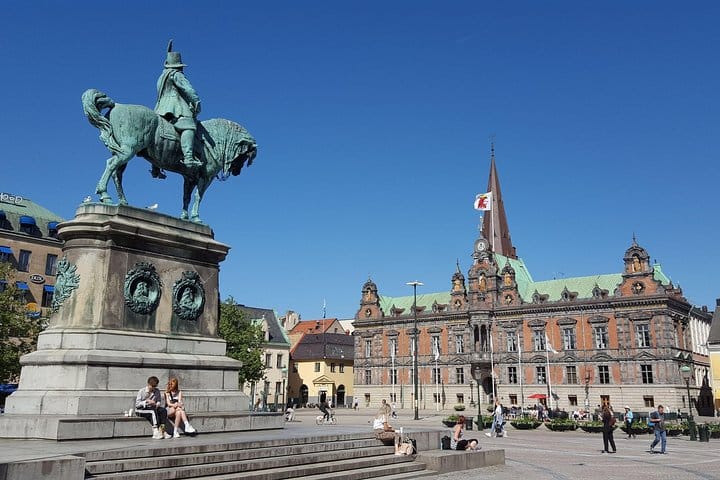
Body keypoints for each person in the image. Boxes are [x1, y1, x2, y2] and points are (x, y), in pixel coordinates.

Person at [155, 40, 202, 170]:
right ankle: (188, 157)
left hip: (160, 109)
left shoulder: (161, 77)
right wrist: (196, 102)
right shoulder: (176, 75)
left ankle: (156, 167)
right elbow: (188, 90)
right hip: (174, 107)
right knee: (189, 126)